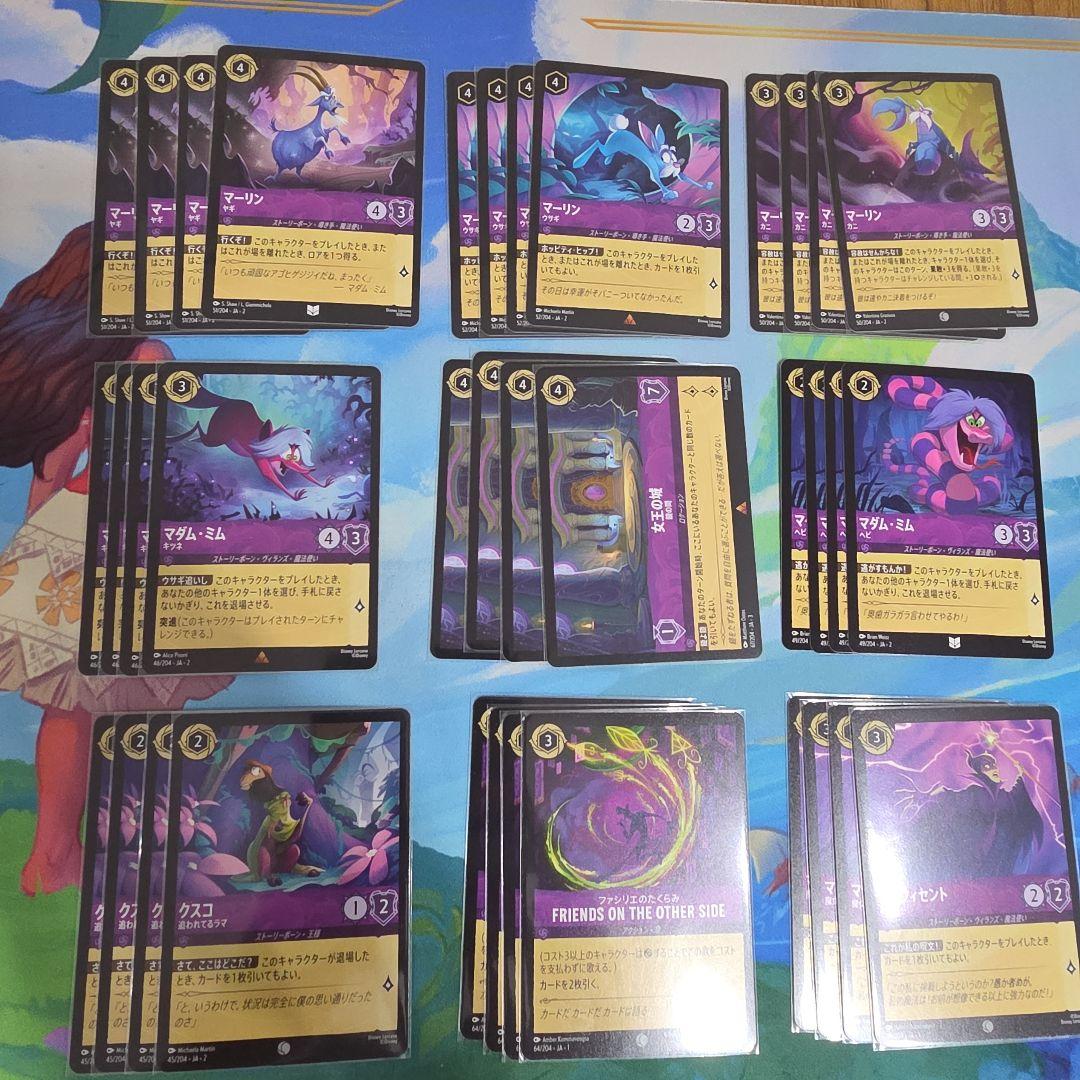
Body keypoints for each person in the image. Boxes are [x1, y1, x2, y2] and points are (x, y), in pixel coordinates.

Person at [0, 223, 231, 895]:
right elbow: (174, 461)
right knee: (155, 702)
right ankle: (135, 845)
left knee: (68, 707)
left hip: (66, 532)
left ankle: (50, 858)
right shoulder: (149, 356)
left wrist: (33, 548)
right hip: (137, 537)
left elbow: (51, 471)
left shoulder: (67, 364)